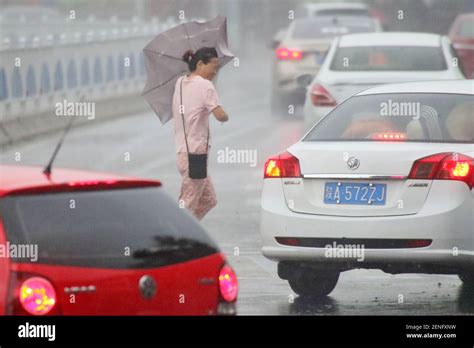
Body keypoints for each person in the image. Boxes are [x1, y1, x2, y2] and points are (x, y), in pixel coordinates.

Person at [172, 47, 229, 220]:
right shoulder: (206, 85)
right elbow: (221, 116)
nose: (215, 70)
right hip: (194, 155)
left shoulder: (180, 82)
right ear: (199, 63)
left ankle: (189, 232)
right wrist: (225, 113)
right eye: (213, 66)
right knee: (187, 203)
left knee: (209, 199)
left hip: (183, 153)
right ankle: (176, 236)